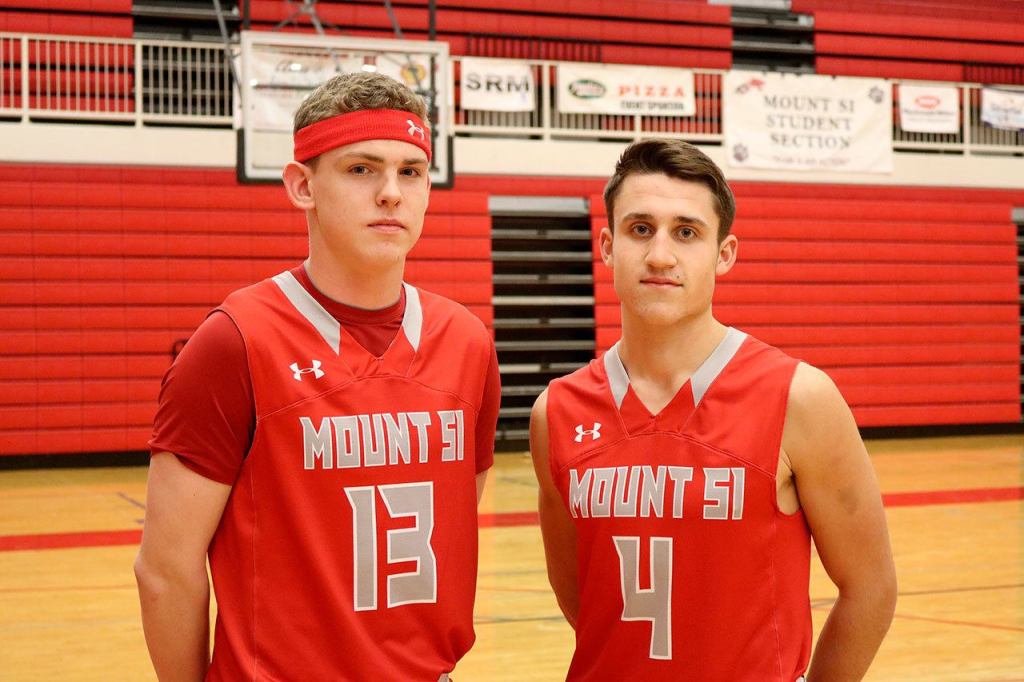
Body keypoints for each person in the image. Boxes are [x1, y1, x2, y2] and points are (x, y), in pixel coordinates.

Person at [134, 72, 501, 681]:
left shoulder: (467, 342)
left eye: (411, 172)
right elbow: (165, 571)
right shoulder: (234, 342)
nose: (391, 193)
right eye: (361, 169)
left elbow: (455, 518)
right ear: (302, 186)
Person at [529, 139, 896, 681]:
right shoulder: (556, 412)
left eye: (686, 232)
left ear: (724, 254)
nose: (660, 255)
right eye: (640, 229)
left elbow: (870, 587)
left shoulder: (799, 398)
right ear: (607, 246)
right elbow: (583, 598)